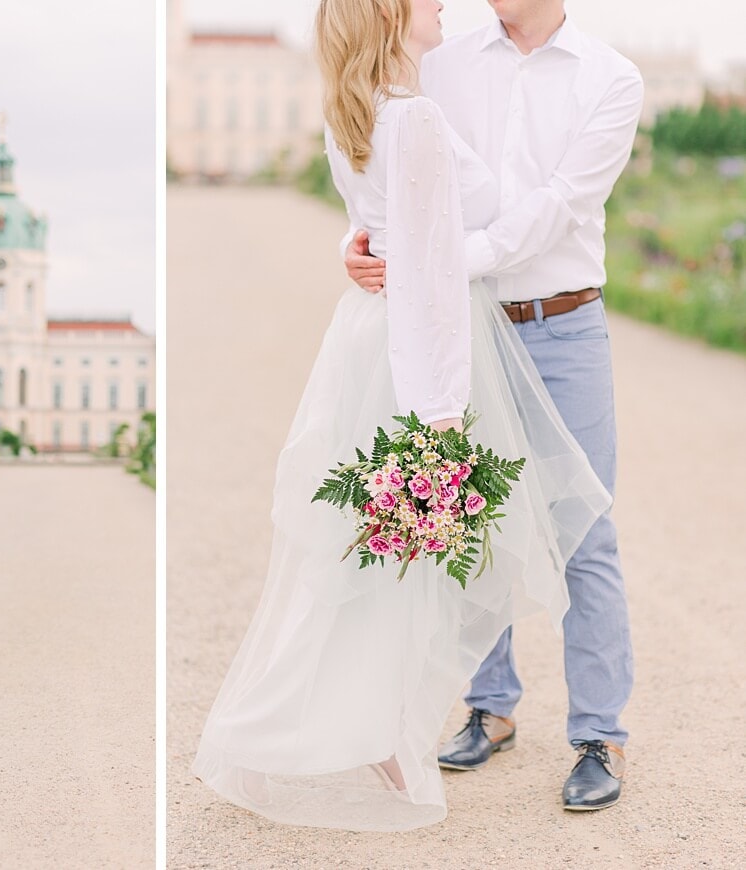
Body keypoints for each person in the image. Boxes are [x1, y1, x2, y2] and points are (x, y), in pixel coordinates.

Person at [191, 0, 612, 831]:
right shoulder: (414, 114)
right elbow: (423, 271)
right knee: (416, 546)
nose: (443, 3)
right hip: (421, 344)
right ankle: (385, 732)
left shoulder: (356, 106)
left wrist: (378, 247)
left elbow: (393, 227)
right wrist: (442, 409)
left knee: (387, 547)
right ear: (390, 15)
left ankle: (382, 725)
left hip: (371, 339)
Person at [343, 0, 641, 811]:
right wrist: (360, 243)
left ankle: (599, 734)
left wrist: (434, 263)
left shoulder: (612, 78)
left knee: (584, 528)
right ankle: (492, 706)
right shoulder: (440, 60)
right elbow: (383, 162)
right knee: (468, 524)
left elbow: (556, 210)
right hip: (463, 330)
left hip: (563, 322)